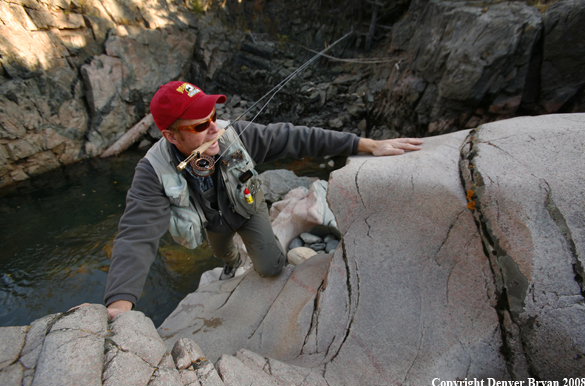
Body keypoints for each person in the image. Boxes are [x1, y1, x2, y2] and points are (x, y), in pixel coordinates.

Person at [103, 81, 423, 319]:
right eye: (201, 125)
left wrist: (366, 145)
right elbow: (136, 234)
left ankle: (269, 243)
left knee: (271, 268)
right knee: (225, 255)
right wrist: (119, 304)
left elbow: (297, 138)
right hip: (214, 225)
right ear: (172, 136)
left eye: (213, 115)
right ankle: (232, 264)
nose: (215, 127)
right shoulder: (152, 172)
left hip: (250, 209)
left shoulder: (234, 134)